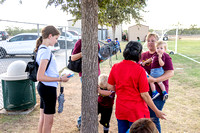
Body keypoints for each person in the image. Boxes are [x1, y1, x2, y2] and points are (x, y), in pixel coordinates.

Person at [107, 41, 166, 133]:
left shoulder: (115, 67)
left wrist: (121, 88)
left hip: (121, 109)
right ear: (138, 54)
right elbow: (145, 95)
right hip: (137, 112)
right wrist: (156, 111)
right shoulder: (140, 70)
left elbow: (110, 87)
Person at [36, 25, 70, 133]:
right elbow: (40, 76)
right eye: (56, 38)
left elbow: (46, 72)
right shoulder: (45, 51)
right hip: (47, 88)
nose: (56, 41)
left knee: (43, 118)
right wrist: (60, 79)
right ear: (50, 36)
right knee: (48, 122)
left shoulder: (41, 49)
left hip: (44, 87)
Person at [139, 33, 174, 133]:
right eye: (148, 40)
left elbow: (170, 72)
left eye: (153, 40)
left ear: (157, 42)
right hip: (144, 92)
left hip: (158, 93)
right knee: (144, 118)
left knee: (153, 117)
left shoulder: (164, 55)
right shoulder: (143, 55)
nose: (150, 43)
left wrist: (154, 80)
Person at [71, 39, 101, 130]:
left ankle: (90, 120)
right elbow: (73, 58)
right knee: (88, 99)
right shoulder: (80, 42)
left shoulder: (96, 41)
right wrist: (84, 53)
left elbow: (98, 59)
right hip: (85, 75)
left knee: (94, 99)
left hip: (96, 74)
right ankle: (81, 122)